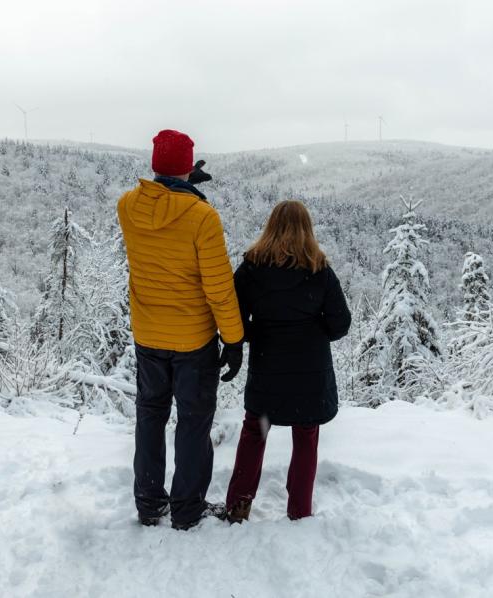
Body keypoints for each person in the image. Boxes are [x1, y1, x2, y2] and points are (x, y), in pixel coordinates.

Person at [116, 129, 244, 531]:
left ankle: (150, 503)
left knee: (150, 417)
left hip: (148, 335)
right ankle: (187, 507)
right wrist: (234, 339)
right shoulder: (202, 216)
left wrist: (180, 184)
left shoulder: (127, 206)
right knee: (193, 421)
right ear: (188, 166)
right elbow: (218, 288)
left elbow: (161, 219)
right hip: (193, 341)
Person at [225, 200, 351, 522]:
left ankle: (238, 505)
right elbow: (340, 324)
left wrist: (258, 332)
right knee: (306, 434)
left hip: (267, 366)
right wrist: (312, 331)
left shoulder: (252, 268)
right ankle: (299, 509)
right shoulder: (319, 270)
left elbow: (233, 318)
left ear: (271, 226)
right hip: (310, 371)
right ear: (307, 229)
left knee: (256, 430)